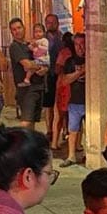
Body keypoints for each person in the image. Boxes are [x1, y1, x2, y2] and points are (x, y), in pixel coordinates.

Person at [9, 17, 48, 130]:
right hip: (26, 90)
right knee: (26, 122)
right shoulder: (14, 47)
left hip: (38, 87)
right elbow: (27, 65)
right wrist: (40, 65)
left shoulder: (29, 45)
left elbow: (44, 60)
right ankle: (22, 141)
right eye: (14, 29)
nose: (17, 31)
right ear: (11, 32)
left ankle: (30, 141)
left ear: (24, 28)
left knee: (32, 122)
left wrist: (45, 68)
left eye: (19, 28)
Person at [58, 32, 86, 167]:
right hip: (75, 101)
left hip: (90, 102)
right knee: (73, 129)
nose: (80, 47)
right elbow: (65, 80)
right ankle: (71, 156)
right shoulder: (70, 61)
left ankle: (89, 154)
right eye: (77, 44)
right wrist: (80, 72)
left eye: (82, 44)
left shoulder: (92, 60)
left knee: (91, 131)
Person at [51, 31, 74, 152]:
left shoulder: (63, 52)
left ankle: (55, 142)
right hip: (71, 86)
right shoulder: (75, 53)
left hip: (63, 85)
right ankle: (72, 143)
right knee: (71, 115)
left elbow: (57, 69)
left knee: (59, 115)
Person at [43, 13, 61, 143]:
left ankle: (62, 129)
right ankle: (49, 130)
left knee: (61, 104)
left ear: (57, 23)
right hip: (47, 75)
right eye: (48, 22)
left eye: (53, 22)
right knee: (48, 105)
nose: (51, 24)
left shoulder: (63, 38)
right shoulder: (42, 39)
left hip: (61, 74)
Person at [20, 23, 50, 87]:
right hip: (38, 59)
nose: (38, 34)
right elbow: (31, 47)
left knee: (29, 66)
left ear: (44, 33)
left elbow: (45, 49)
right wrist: (31, 46)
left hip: (43, 59)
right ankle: (27, 80)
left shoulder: (44, 40)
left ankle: (27, 79)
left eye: (40, 31)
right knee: (31, 70)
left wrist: (36, 46)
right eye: (36, 32)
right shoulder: (35, 41)